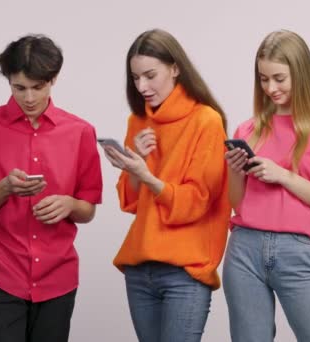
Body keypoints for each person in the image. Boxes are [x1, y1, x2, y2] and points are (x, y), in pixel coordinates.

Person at [0, 34, 103, 342]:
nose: (29, 98)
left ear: (54, 79)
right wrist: (4, 188)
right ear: (8, 81)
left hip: (57, 277)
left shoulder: (80, 132)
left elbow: (87, 209)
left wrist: (70, 205)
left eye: (38, 87)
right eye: (19, 88)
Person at [222, 30, 310, 342]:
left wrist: (284, 176)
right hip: (244, 251)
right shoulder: (247, 129)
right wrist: (236, 172)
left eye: (279, 78)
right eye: (264, 79)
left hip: (298, 252)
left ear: (301, 72)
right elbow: (238, 203)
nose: (270, 88)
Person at [103, 29, 231, 342]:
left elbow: (196, 202)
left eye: (150, 75)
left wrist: (146, 175)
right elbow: (129, 202)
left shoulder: (206, 121)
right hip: (139, 270)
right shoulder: (138, 122)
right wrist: (135, 168)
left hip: (184, 271)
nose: (142, 86)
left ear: (175, 68)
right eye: (135, 78)